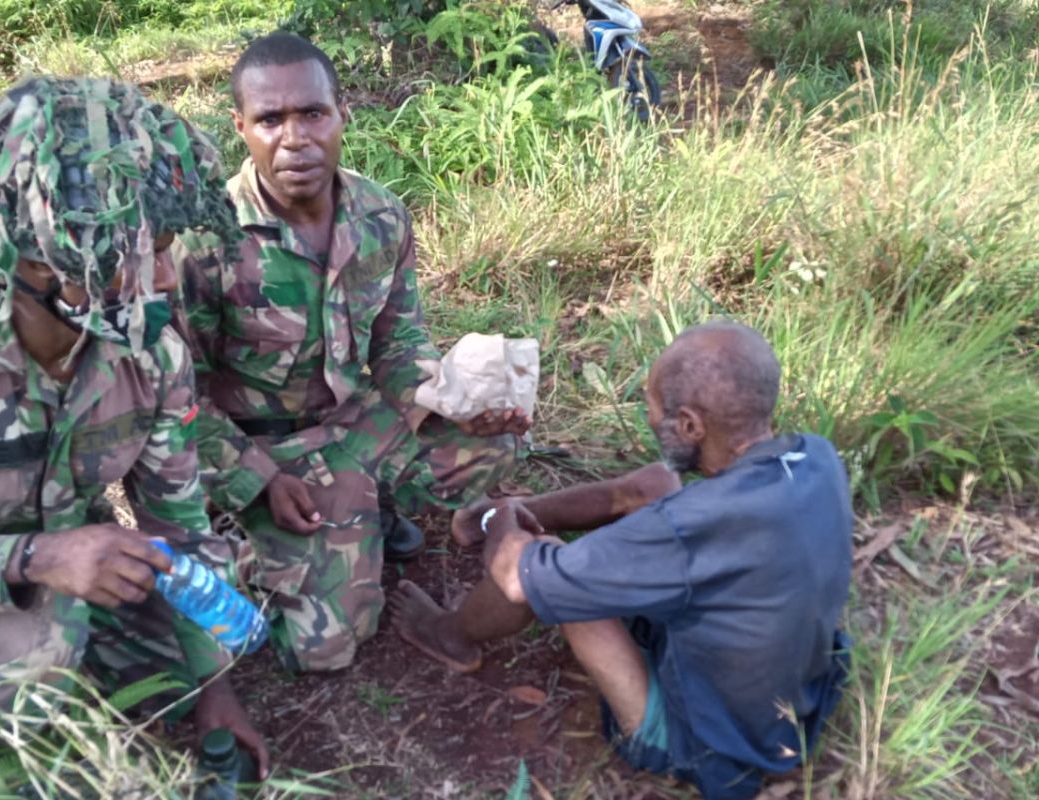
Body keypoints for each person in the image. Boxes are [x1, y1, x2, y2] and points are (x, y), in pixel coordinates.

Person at [0, 78, 269, 776]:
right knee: (30, 666)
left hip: (76, 548)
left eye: (167, 247)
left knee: (207, 621)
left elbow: (179, 523)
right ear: (45, 262)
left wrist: (212, 689)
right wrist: (36, 560)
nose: (165, 277)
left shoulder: (145, 346)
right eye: (142, 253)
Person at [175, 32, 529, 672]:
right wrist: (255, 482)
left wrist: (448, 405)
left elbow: (399, 342)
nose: (294, 137)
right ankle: (237, 540)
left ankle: (366, 504)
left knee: (490, 444)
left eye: (312, 113)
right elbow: (175, 397)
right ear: (241, 128)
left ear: (342, 114)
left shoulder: (380, 215)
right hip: (262, 449)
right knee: (325, 648)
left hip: (354, 423)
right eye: (270, 119)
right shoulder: (205, 240)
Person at [392, 322, 853, 800]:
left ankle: (450, 635)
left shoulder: (686, 529)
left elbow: (516, 578)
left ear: (692, 425)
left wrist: (504, 522)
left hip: (701, 744)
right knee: (654, 483)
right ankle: (487, 517)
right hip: (786, 707)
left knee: (543, 563)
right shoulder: (817, 457)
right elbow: (686, 520)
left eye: (654, 408)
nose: (649, 417)